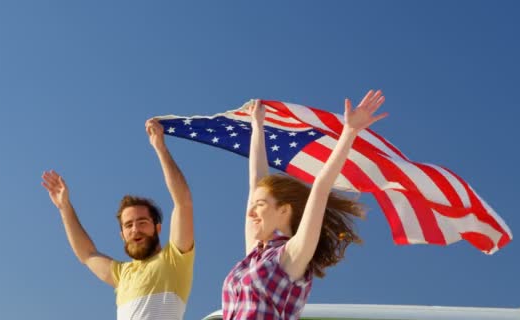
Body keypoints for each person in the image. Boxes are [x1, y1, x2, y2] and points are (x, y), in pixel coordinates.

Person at [222, 90, 387, 320]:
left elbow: (320, 189)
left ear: (283, 209)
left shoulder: (290, 256)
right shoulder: (254, 255)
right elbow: (256, 183)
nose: (251, 212)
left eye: (260, 205)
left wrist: (349, 132)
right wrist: (257, 125)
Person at [41, 118, 195, 320]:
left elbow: (182, 203)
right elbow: (87, 254)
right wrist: (64, 207)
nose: (135, 229)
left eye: (142, 222)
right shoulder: (122, 276)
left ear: (158, 228)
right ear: (122, 235)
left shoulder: (174, 259)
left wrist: (160, 148)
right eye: (128, 225)